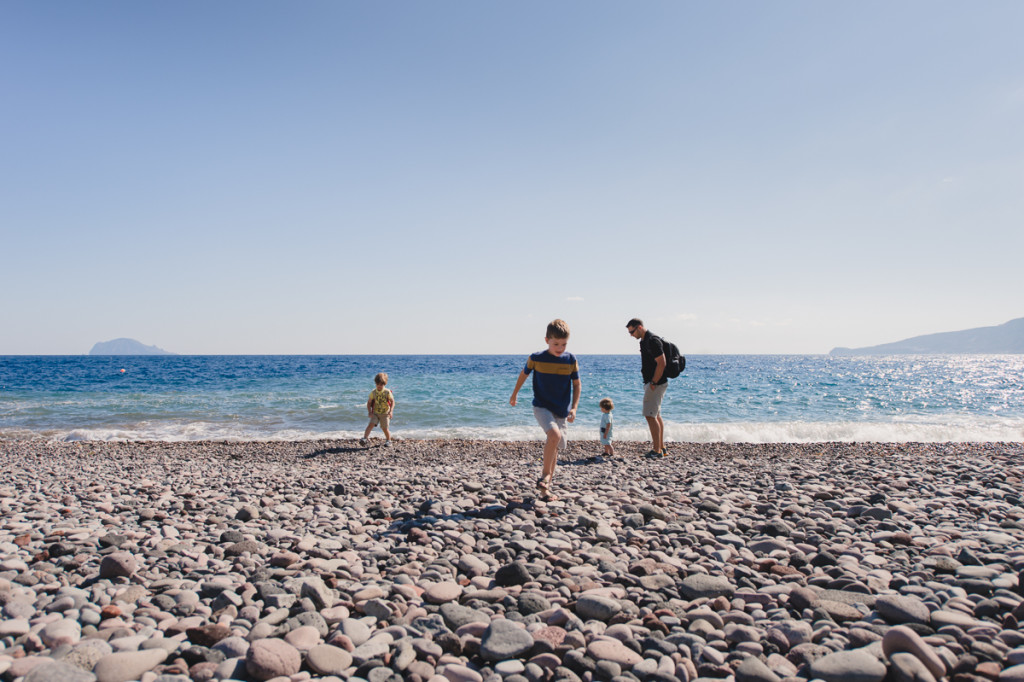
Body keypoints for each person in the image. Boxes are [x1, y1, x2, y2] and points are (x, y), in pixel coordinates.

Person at [509, 319, 581, 500]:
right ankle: (545, 476)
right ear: (546, 340)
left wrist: (574, 407)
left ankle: (545, 489)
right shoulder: (536, 358)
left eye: (564, 344)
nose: (560, 347)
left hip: (561, 410)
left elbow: (577, 384)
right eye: (556, 343)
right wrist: (514, 394)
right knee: (554, 436)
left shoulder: (570, 360)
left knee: (554, 445)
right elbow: (523, 374)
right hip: (541, 406)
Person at [626, 318, 669, 458]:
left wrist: (654, 382)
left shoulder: (652, 340)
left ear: (639, 327)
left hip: (656, 383)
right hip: (654, 383)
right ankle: (661, 447)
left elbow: (661, 363)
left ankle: (656, 450)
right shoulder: (644, 341)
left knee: (649, 415)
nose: (631, 335)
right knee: (655, 415)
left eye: (632, 331)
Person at [360, 372, 395, 447]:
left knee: (385, 428)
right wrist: (369, 412)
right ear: (375, 383)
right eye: (377, 384)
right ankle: (364, 438)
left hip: (385, 413)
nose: (379, 386)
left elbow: (392, 401)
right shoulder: (373, 392)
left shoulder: (387, 392)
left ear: (384, 384)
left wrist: (391, 411)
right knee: (370, 425)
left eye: (381, 385)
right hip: (375, 413)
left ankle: (389, 440)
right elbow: (369, 403)